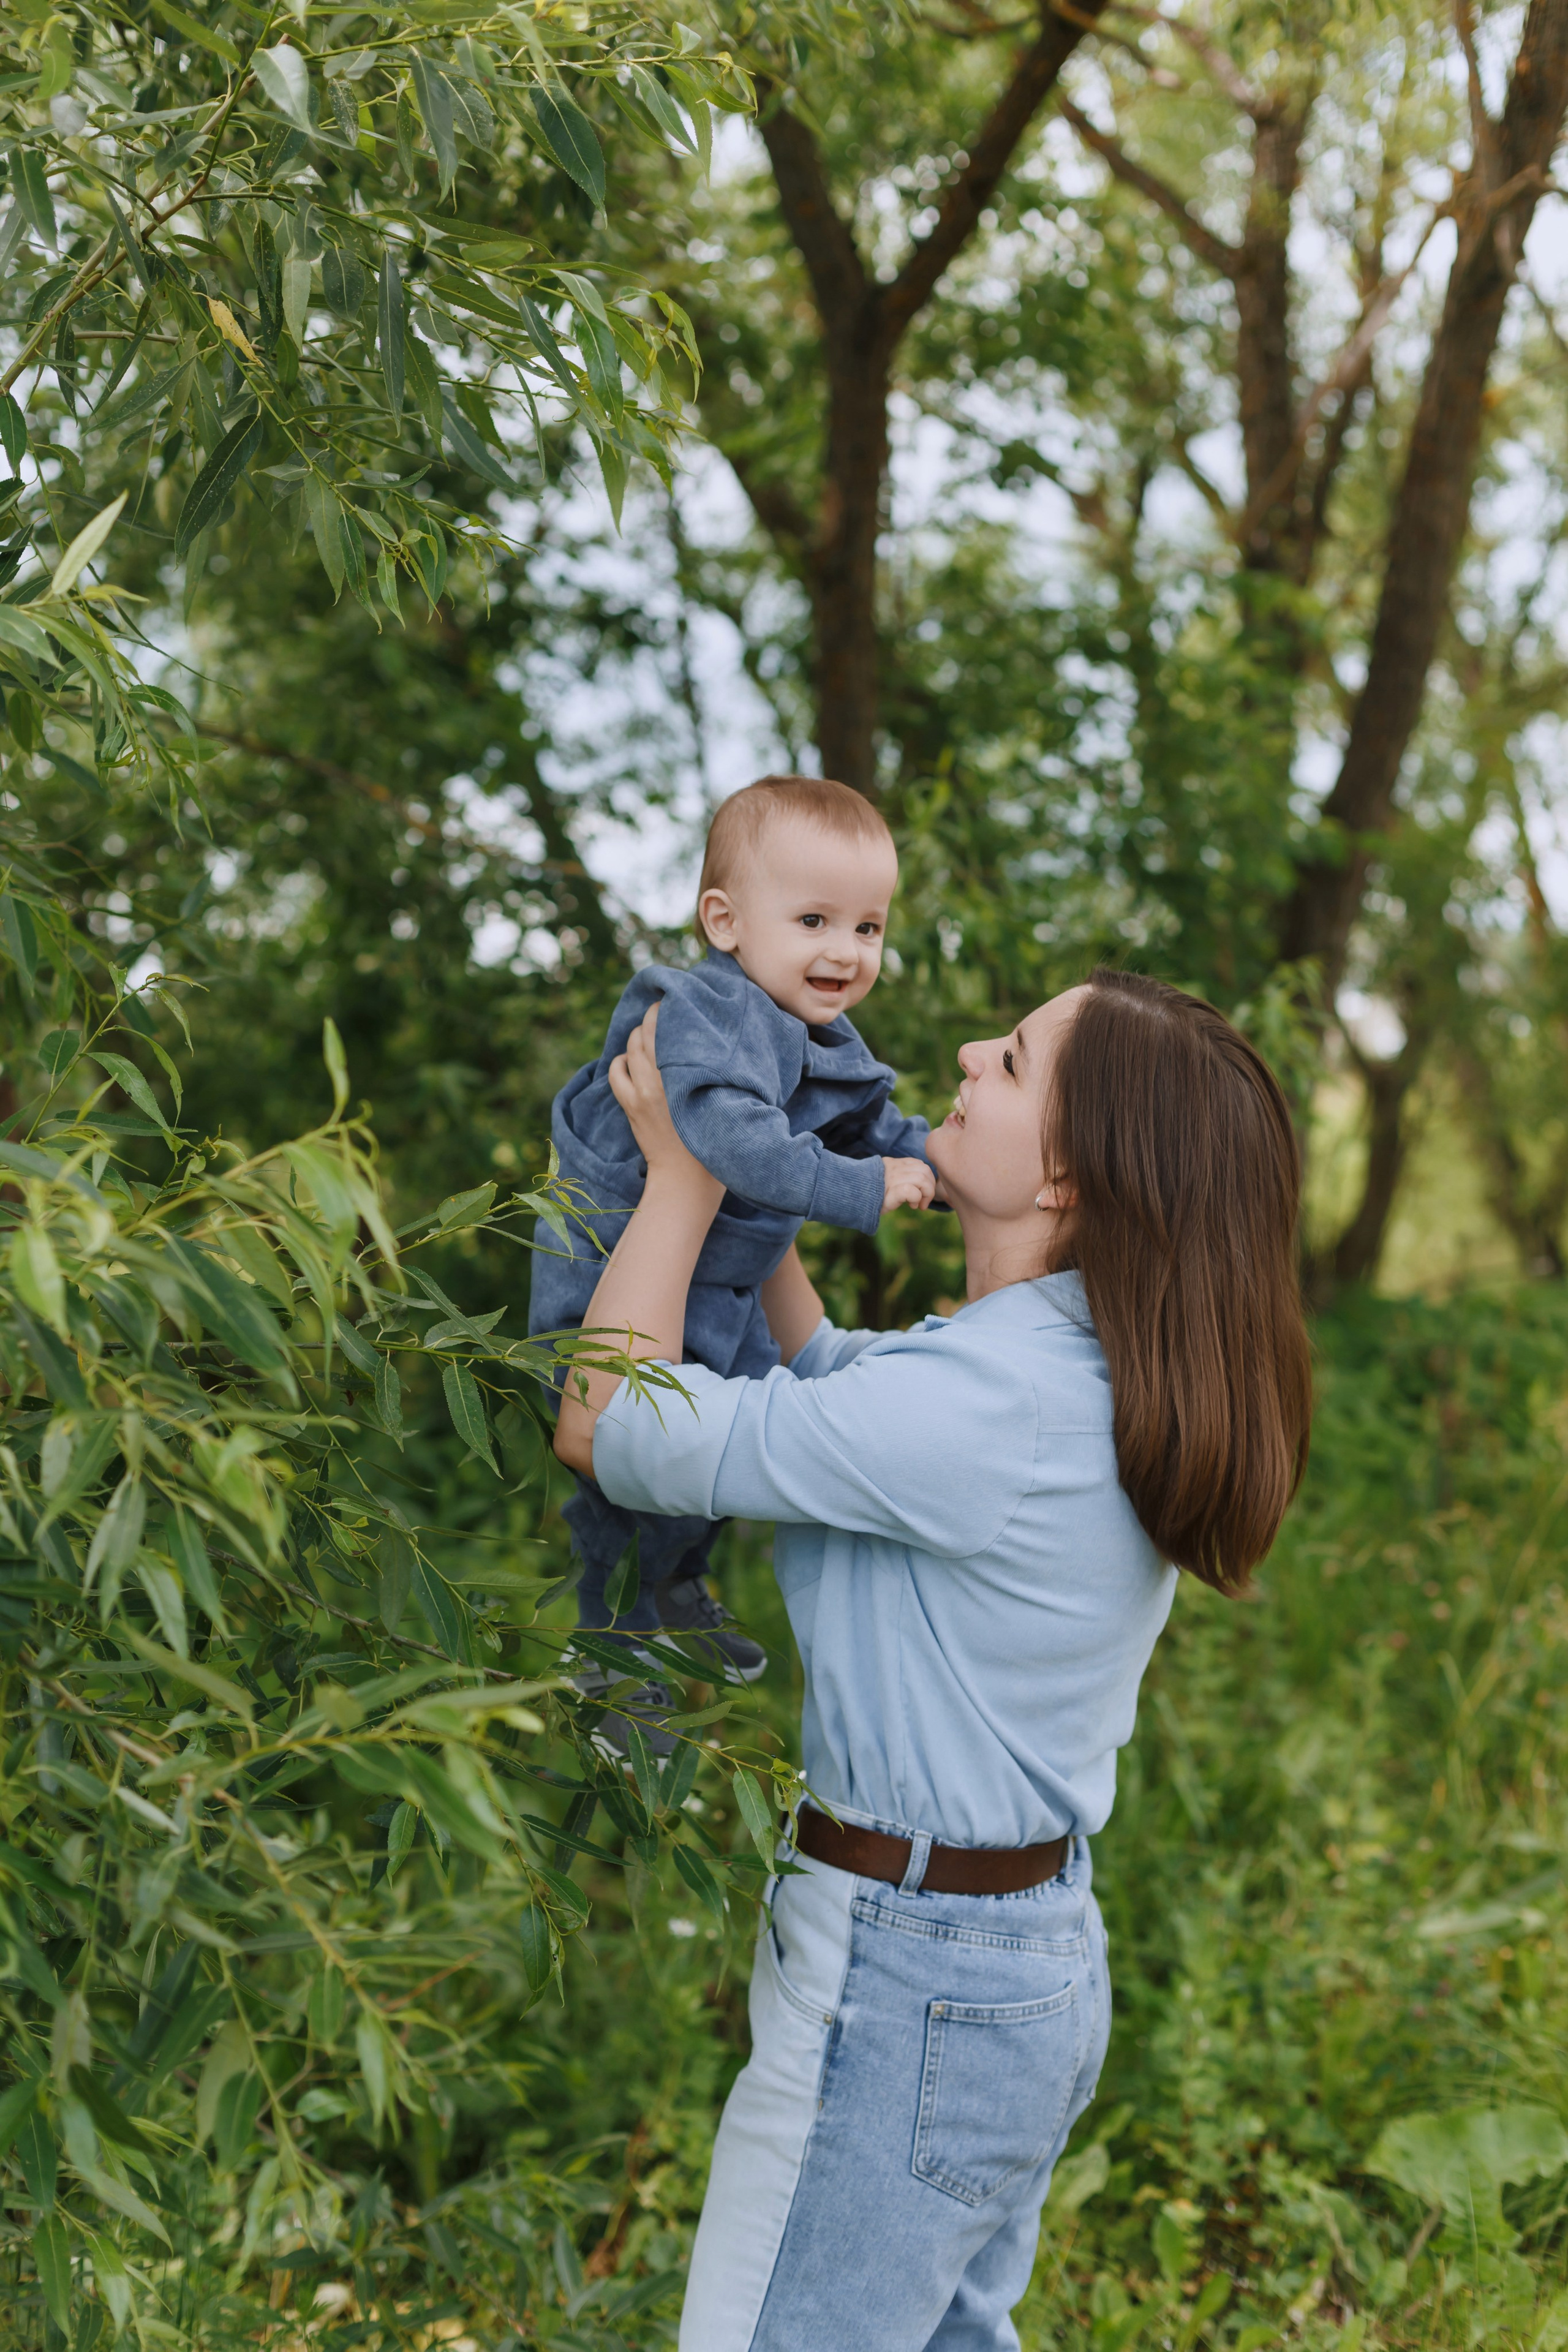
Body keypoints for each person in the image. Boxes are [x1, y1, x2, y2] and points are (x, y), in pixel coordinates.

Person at [553, 967, 1312, 2352]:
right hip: (1014, 1966)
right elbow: (838, 1385)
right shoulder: (1048, 1372)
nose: (966, 1052)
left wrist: (672, 1176)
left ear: (1069, 1174)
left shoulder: (984, 1407)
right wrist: (745, 1166)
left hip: (905, 1977)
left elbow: (608, 1424)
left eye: (1012, 1062)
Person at [530, 774, 935, 1747]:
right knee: (629, 1472)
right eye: (814, 919)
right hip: (617, 1276)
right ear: (725, 921)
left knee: (731, 1437)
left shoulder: (818, 1030)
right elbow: (732, 1144)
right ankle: (611, 1654)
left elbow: (877, 1126)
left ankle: (675, 1585)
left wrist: (948, 1169)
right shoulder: (706, 1014)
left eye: (869, 928)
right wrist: (866, 1189)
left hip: (718, 1278)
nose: (846, 950)